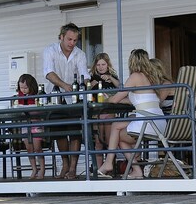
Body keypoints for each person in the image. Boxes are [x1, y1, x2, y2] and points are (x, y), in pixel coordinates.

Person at [96, 49, 167, 179]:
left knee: (116, 129)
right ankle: (135, 171)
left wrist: (107, 99)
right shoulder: (152, 77)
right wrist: (121, 99)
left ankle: (109, 164)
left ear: (132, 62)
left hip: (148, 123)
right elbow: (136, 99)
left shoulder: (135, 76)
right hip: (159, 122)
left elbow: (116, 99)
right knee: (118, 131)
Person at [42, 23, 89, 179]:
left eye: (75, 40)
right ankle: (65, 165)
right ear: (61, 37)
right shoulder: (50, 50)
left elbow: (84, 76)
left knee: (75, 132)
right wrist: (64, 85)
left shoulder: (80, 54)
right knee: (60, 133)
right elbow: (48, 73)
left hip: (74, 98)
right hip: (55, 97)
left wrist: (84, 84)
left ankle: (73, 168)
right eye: (69, 39)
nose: (72, 43)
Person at [16, 74, 46, 180]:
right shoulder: (19, 97)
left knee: (37, 147)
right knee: (29, 148)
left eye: (25, 88)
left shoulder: (36, 96)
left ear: (31, 86)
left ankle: (42, 169)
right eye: (21, 88)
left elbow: (40, 109)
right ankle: (34, 169)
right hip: (25, 124)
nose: (23, 90)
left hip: (35, 123)